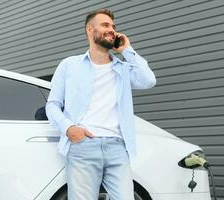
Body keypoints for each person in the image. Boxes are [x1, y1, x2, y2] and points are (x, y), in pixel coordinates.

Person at [45, 8, 156, 200]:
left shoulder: (123, 68)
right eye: (105, 25)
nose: (111, 29)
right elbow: (52, 105)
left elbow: (148, 80)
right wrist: (69, 128)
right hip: (83, 146)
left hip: (118, 147)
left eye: (113, 26)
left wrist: (127, 50)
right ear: (89, 29)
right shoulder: (69, 65)